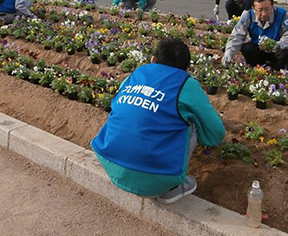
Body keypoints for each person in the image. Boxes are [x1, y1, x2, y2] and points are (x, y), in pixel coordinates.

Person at [91, 38, 225, 204]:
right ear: (186, 68)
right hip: (155, 181)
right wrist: (205, 140)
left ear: (153, 59)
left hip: (109, 161)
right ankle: (173, 187)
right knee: (191, 121)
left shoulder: (136, 74)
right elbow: (216, 132)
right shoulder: (186, 83)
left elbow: (116, 107)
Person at [222, 0, 288, 70]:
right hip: (258, 49)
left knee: (287, 51)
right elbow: (237, 36)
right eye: (260, 10)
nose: (264, 14)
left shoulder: (283, 16)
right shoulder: (248, 15)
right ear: (253, 9)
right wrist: (228, 54)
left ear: (272, 7)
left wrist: (277, 45)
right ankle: (259, 67)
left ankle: (277, 69)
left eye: (267, 9)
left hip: (277, 50)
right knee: (247, 48)